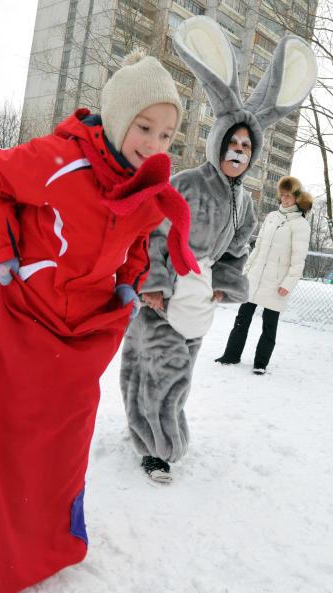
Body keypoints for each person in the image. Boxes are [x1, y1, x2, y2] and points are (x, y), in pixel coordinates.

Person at [0, 50, 199, 593]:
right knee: (6, 441)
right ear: (116, 118)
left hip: (80, 338)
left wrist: (131, 278)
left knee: (61, 449)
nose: (155, 145)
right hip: (20, 321)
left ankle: (49, 542)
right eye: (144, 127)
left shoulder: (145, 187)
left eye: (167, 135)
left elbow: (135, 239)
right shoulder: (59, 161)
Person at [120, 16, 317, 482]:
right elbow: (155, 233)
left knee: (176, 371)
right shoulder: (186, 183)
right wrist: (155, 284)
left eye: (247, 147)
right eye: (233, 142)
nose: (239, 151)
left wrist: (221, 286)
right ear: (218, 142)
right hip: (162, 294)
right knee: (151, 366)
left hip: (197, 296)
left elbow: (237, 251)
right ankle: (157, 448)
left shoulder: (245, 203)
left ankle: (151, 436)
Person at [215, 176, 313, 374]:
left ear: (297, 197)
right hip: (255, 277)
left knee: (269, 325)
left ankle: (260, 363)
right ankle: (231, 355)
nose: (285, 200)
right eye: (282, 196)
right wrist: (247, 270)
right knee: (242, 318)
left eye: (289, 196)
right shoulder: (271, 217)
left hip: (277, 282)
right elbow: (258, 247)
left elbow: (298, 260)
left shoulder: (301, 225)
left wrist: (289, 283)